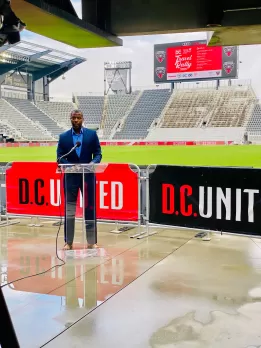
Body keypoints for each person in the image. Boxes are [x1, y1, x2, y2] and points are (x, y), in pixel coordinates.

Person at [57, 110, 102, 250]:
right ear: (70, 119)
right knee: (69, 209)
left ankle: (91, 241)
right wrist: (71, 166)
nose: (76, 120)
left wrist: (91, 163)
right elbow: (60, 157)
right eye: (73, 118)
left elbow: (98, 154)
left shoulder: (91, 135)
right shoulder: (63, 137)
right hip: (70, 177)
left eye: (78, 118)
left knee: (90, 208)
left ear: (83, 119)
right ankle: (68, 242)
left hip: (87, 176)